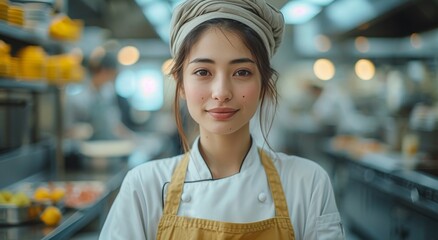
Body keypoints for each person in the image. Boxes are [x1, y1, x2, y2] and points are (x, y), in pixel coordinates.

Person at [99, 0, 344, 239]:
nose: (222, 92)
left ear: (264, 85)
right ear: (181, 84)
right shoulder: (143, 186)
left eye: (242, 72)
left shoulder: (307, 183)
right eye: (203, 72)